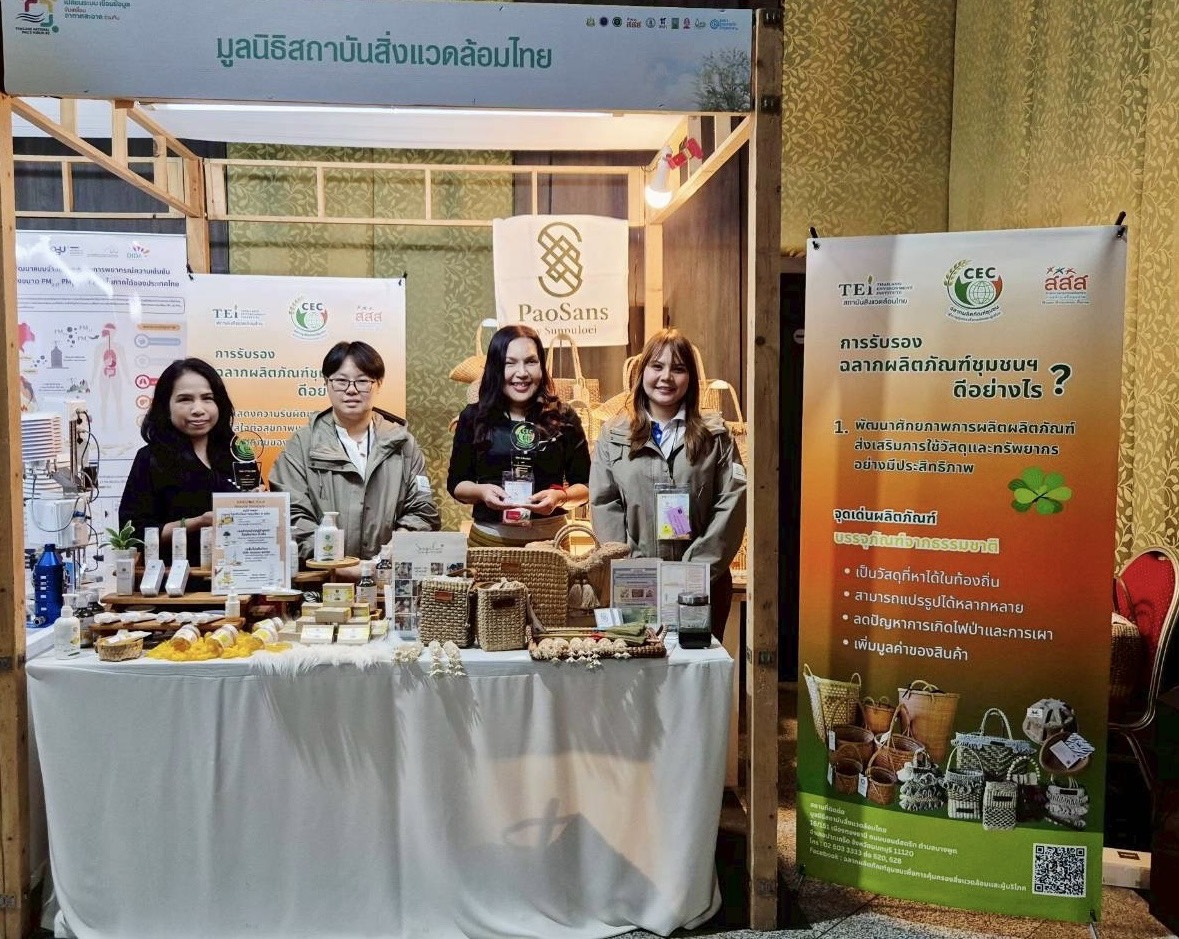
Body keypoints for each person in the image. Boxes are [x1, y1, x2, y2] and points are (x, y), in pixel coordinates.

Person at [589, 328, 746, 639]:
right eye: (657, 366)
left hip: (703, 584)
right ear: (642, 372)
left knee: (696, 665)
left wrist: (694, 571)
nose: (666, 377)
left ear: (690, 378)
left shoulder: (716, 435)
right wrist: (632, 567)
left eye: (678, 368)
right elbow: (604, 502)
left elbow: (732, 502)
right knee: (642, 662)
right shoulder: (614, 434)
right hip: (637, 583)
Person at [269, 341, 440, 578]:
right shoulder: (302, 445)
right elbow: (291, 515)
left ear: (378, 384)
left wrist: (392, 552)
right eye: (341, 381)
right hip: (322, 582)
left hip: (387, 581)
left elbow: (423, 510)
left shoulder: (403, 444)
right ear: (326, 383)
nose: (351, 390)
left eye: (362, 381)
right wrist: (339, 565)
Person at [447, 325, 590, 546]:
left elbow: (586, 486)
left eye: (531, 362)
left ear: (541, 367)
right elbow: (457, 484)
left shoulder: (564, 417)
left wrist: (561, 497)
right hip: (488, 542)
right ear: (495, 368)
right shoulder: (473, 416)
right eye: (509, 363)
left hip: (551, 544)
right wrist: (481, 491)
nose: (521, 372)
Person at [118, 357, 238, 567]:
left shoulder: (236, 452)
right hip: (173, 579)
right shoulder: (150, 459)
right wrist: (197, 523)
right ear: (166, 406)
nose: (198, 409)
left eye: (207, 398)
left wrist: (259, 503)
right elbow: (133, 534)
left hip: (235, 576)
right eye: (185, 399)